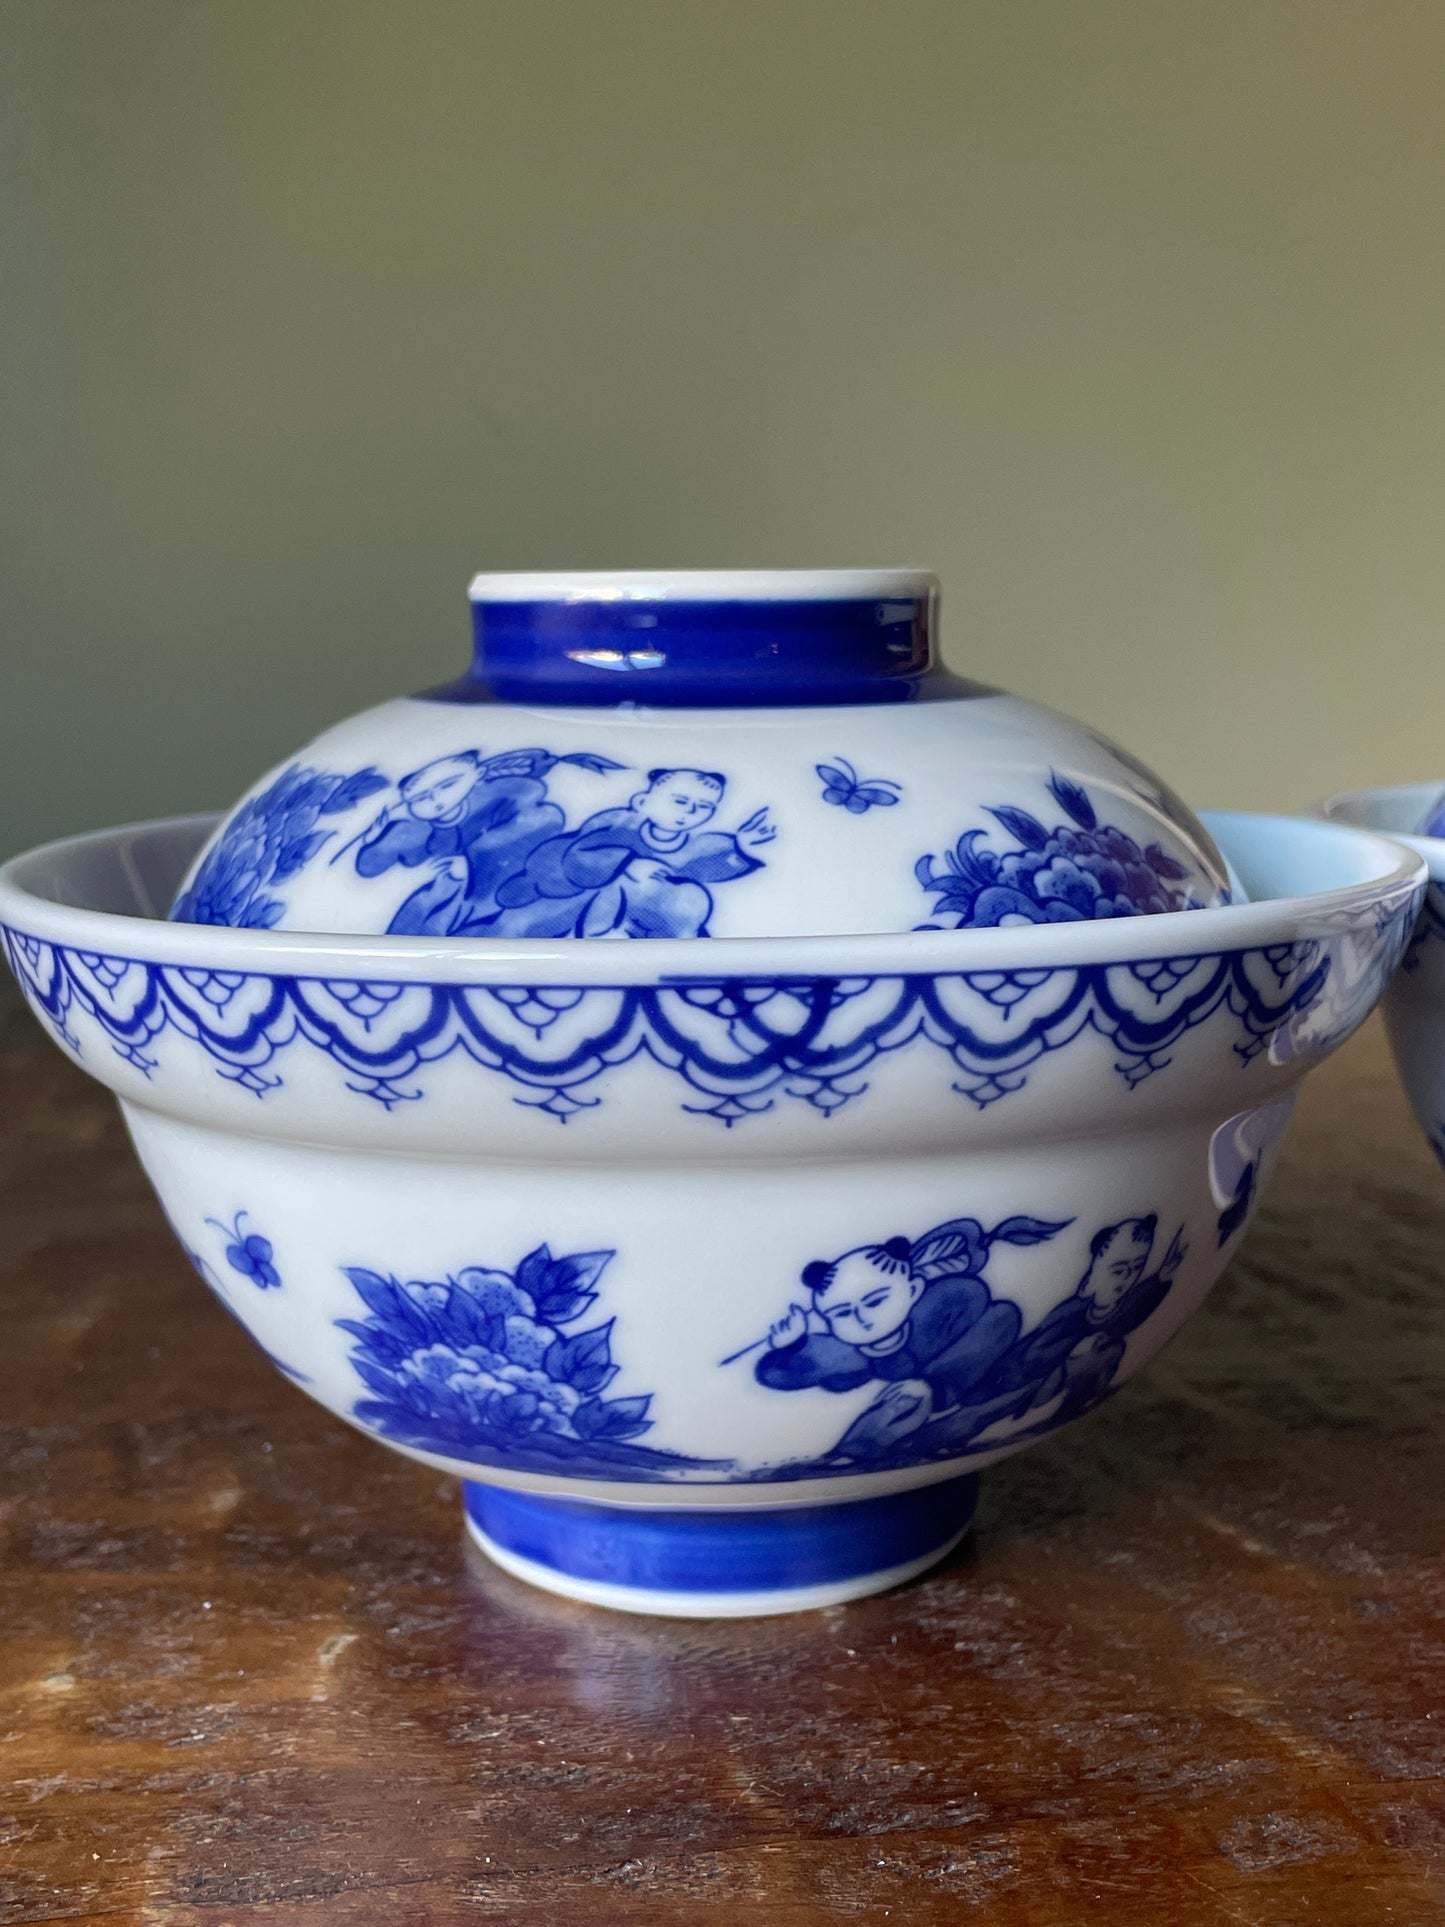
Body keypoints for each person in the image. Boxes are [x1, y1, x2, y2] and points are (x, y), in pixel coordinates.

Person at [754, 1226, 1036, 1462]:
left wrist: (933, 1385)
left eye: (875, 1301)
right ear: (826, 1321)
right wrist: (790, 1344)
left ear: (913, 1289)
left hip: (962, 1386)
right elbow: (782, 1374)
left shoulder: (944, 1305)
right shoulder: (844, 1350)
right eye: (841, 1313)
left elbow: (999, 1321)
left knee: (908, 1402)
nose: (861, 1318)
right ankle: (853, 1451)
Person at [482, 768, 775, 938]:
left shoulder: (686, 843)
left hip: (643, 912)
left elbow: (701, 862)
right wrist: (626, 865)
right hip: (579, 900)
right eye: (681, 801)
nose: (689, 812)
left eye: (703, 807)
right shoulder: (616, 824)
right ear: (642, 801)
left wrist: (742, 847)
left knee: (687, 897)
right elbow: (577, 858)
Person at [350, 749, 603, 936]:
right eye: (421, 798)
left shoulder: (506, 793)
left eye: (447, 785)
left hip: (499, 883)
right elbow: (373, 864)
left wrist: (470, 865)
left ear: (478, 775)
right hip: (453, 886)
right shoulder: (418, 829)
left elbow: (537, 826)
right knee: (424, 906)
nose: (436, 799)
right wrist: (371, 838)